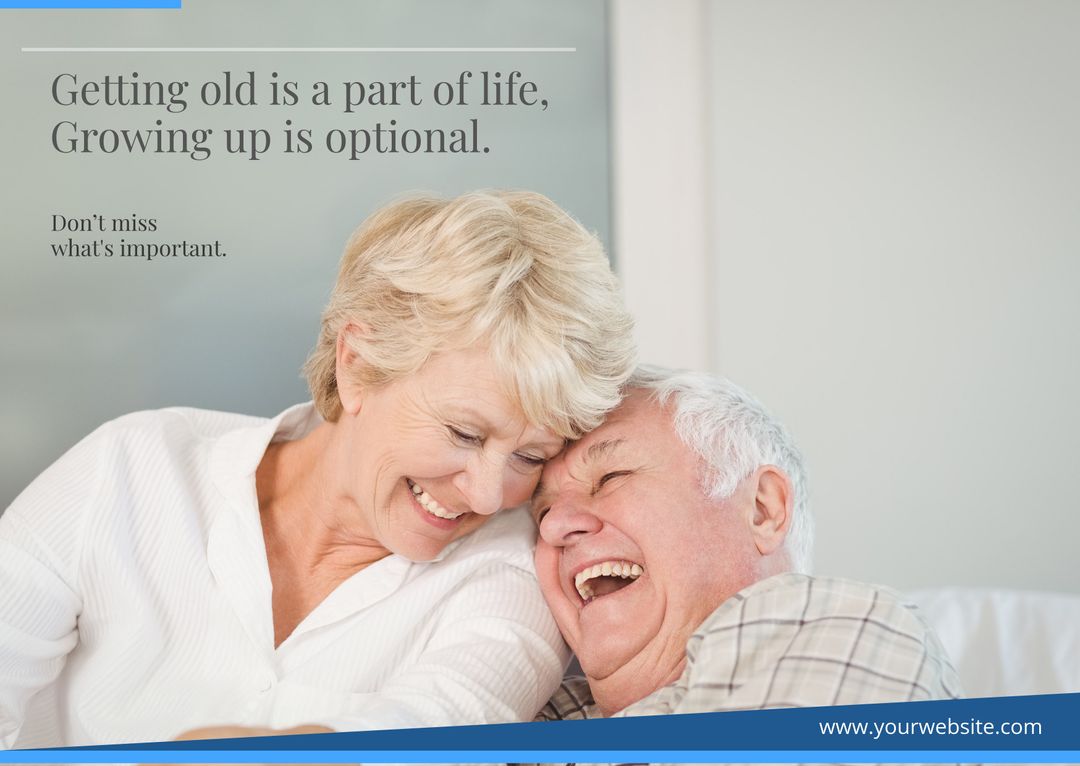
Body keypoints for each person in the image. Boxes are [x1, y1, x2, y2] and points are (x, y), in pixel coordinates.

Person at [0, 191, 637, 749]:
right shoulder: (133, 468)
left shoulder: (511, 573)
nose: (487, 493)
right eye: (464, 433)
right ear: (356, 363)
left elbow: (446, 727)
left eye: (530, 456)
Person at [532, 364, 961, 724]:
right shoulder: (535, 709)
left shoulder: (855, 627)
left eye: (611, 477)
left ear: (762, 509)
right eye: (542, 514)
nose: (554, 528)